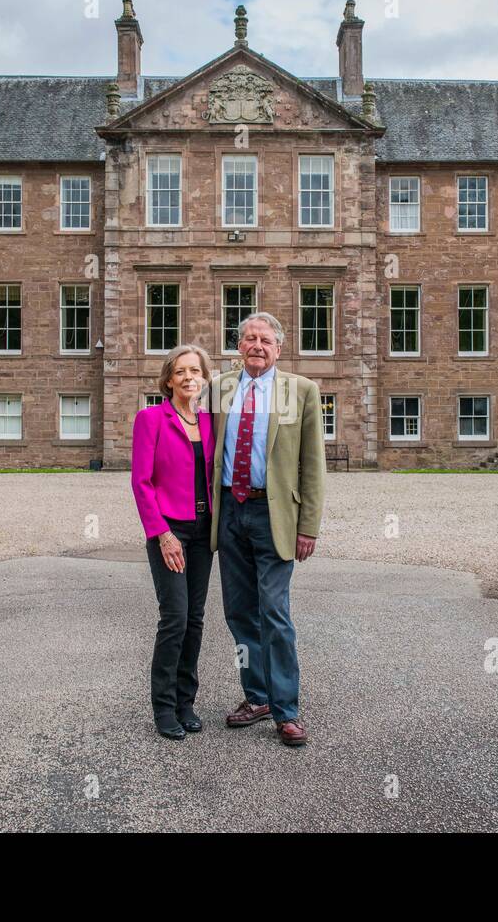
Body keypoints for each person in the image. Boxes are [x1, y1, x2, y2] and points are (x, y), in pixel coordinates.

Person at [209, 312, 325, 747]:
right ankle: (255, 696)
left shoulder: (300, 391)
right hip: (231, 512)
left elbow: (312, 464)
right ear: (238, 346)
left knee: (274, 612)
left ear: (279, 348)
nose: (256, 345)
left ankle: (286, 710)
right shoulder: (218, 389)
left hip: (273, 515)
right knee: (239, 612)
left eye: (265, 340)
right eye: (249, 339)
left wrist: (308, 526)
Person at [131, 344, 216, 740]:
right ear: (168, 380)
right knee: (175, 618)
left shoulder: (211, 421)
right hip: (170, 532)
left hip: (203, 533)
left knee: (196, 620)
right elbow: (141, 482)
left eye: (195, 371)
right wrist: (162, 534)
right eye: (180, 371)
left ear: (205, 378)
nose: (188, 378)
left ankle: (186, 702)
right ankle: (163, 707)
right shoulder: (151, 419)